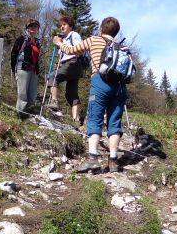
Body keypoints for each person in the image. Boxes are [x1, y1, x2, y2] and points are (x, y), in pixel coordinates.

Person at [53, 16, 126, 173]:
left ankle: (92, 158)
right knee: (114, 123)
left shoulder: (94, 40)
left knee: (95, 118)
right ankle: (113, 161)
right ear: (116, 32)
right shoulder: (120, 47)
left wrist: (59, 44)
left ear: (101, 29)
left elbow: (73, 51)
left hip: (100, 82)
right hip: (119, 87)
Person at [48, 16, 83, 124]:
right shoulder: (65, 39)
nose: (62, 27)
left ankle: (54, 101)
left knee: (53, 76)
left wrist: (59, 43)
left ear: (70, 26)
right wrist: (60, 63)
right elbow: (64, 56)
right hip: (71, 65)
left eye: (64, 25)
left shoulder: (74, 35)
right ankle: (75, 119)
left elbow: (79, 49)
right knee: (71, 94)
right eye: (61, 25)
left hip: (73, 62)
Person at [10, 19, 41, 117]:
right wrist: (14, 69)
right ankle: (20, 114)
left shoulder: (37, 41)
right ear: (27, 28)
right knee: (22, 93)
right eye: (31, 26)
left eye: (35, 26)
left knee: (32, 94)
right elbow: (13, 54)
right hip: (23, 68)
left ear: (37, 29)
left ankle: (29, 115)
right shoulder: (21, 39)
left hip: (34, 70)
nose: (33, 28)